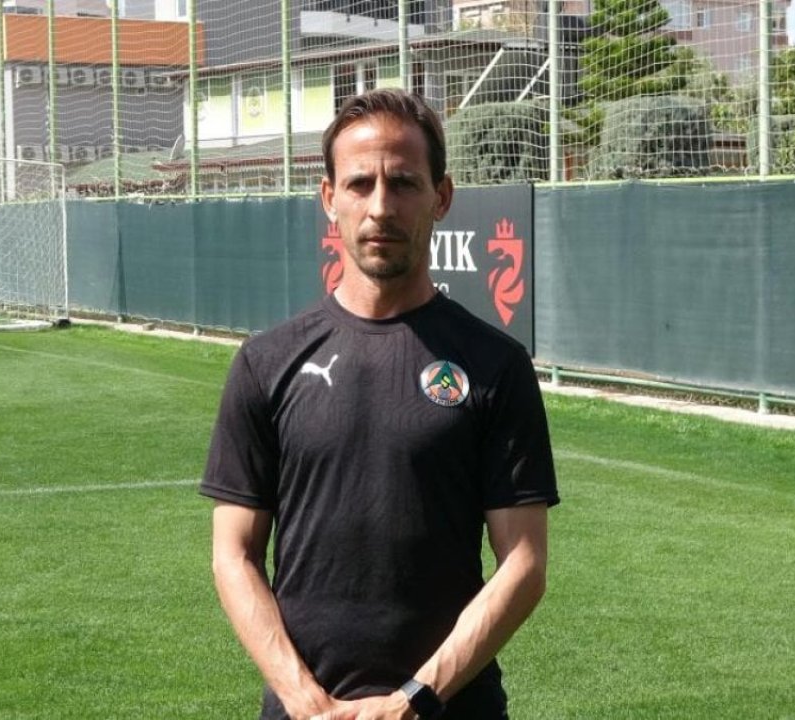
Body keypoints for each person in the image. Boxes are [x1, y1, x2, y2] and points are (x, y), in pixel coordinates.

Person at [201, 88, 558, 720]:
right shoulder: (266, 362)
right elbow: (234, 554)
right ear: (328, 197)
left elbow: (524, 563)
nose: (381, 207)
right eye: (360, 183)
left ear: (441, 197)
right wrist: (305, 700)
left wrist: (415, 699)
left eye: (404, 183)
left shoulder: (495, 366)